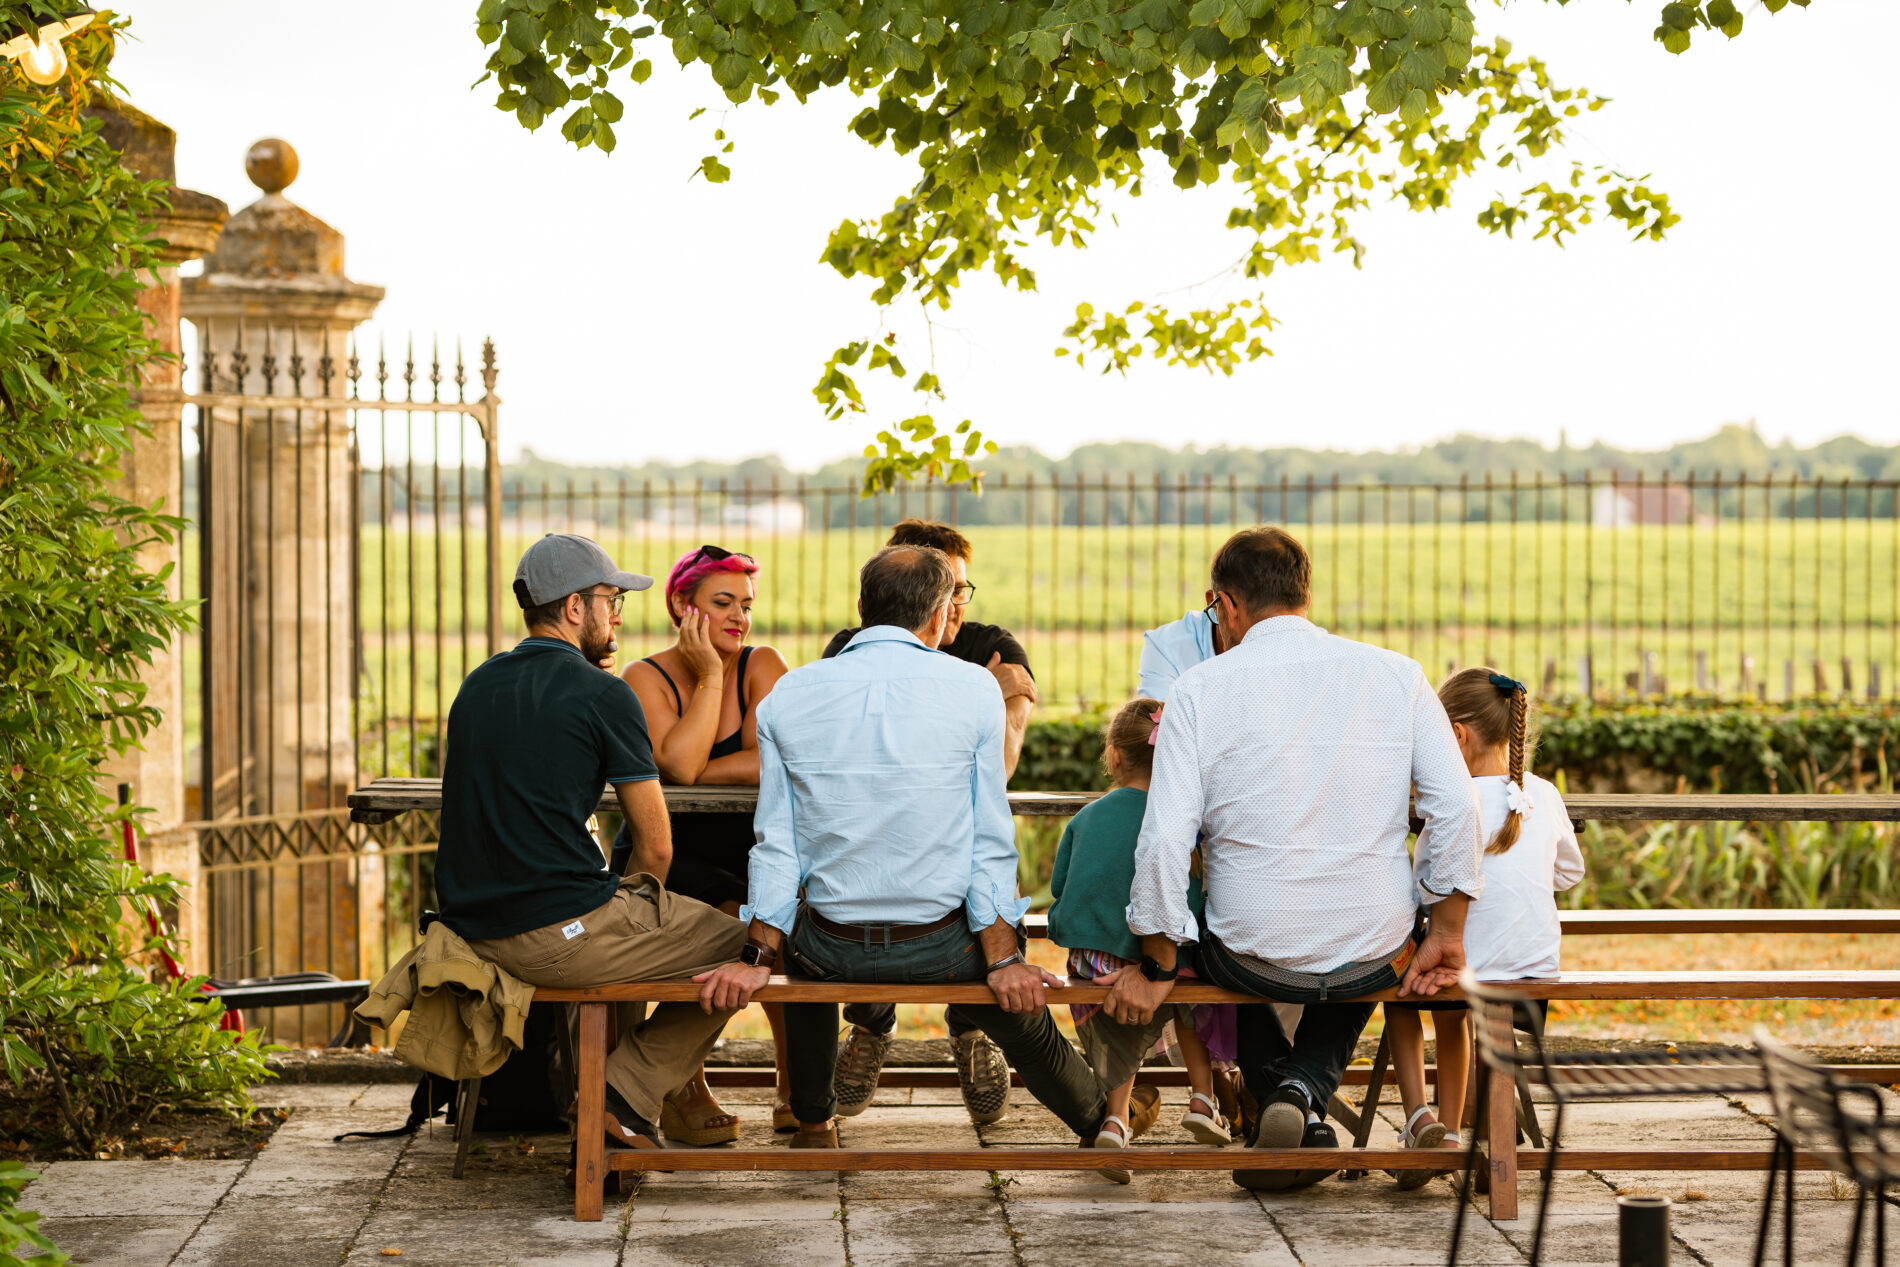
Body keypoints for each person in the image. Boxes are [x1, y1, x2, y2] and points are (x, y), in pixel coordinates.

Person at [693, 545, 1121, 1153]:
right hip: (940, 947)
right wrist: (1003, 961)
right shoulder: (976, 690)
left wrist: (757, 957)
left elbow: (776, 846)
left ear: (863, 608)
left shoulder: (789, 694)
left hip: (832, 949)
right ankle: (1098, 1122)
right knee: (1020, 1005)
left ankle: (814, 1122)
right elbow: (990, 840)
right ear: (940, 612)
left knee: (803, 957)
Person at [1101, 526, 1485, 1193]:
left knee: (1243, 946)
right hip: (1371, 940)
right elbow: (1457, 806)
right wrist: (1446, 933)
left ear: (1225, 604)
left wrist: (1159, 957)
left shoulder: (1197, 690)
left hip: (1248, 944)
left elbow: (1164, 836)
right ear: (1306, 593)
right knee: (1378, 949)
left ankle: (1292, 1104)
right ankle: (1304, 1097)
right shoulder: (1398, 674)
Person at [433, 533, 746, 1156]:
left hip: (467, 930)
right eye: (611, 599)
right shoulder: (605, 693)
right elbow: (656, 848)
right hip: (556, 936)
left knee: (624, 932)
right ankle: (622, 1093)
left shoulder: (477, 684)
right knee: (756, 949)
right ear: (575, 608)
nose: (618, 614)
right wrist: (643, 905)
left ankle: (612, 1106)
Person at [821, 519, 1038, 1124]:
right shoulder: (850, 647)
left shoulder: (995, 646)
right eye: (945, 592)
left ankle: (972, 1033)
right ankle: (869, 1026)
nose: (955, 607)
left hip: (959, 842)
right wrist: (979, 696)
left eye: (963, 590)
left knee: (988, 873)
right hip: (874, 835)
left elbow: (1000, 766)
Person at [606, 544, 791, 1144]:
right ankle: (683, 1085)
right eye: (722, 603)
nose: (740, 617)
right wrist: (711, 675)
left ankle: (797, 1091)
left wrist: (692, 765)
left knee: (783, 932)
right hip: (668, 853)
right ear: (684, 608)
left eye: (746, 604)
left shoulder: (764, 664)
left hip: (754, 850)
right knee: (724, 931)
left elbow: (776, 763)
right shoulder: (643, 676)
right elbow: (680, 767)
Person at [1383, 667, 1584, 1188]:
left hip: (1462, 976)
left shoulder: (1450, 805)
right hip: (1533, 977)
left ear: (1455, 736)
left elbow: (1425, 888)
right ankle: (1458, 1131)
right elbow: (1570, 872)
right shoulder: (1544, 793)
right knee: (1458, 988)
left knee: (1397, 983)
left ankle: (1424, 1121)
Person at [1049, 697, 1235, 1183]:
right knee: (1189, 993)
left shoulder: (1085, 819)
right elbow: (1195, 895)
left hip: (1095, 962)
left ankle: (1115, 1119)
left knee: (1123, 1010)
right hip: (1168, 960)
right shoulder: (1180, 821)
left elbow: (1060, 887)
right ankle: (1203, 1098)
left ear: (1114, 757)